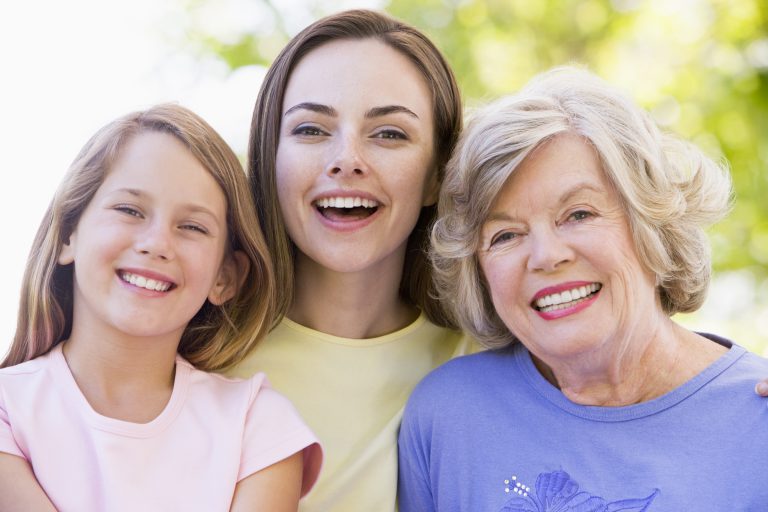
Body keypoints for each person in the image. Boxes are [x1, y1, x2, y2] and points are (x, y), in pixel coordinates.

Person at [398, 66, 768, 511]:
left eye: (578, 214)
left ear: (651, 223)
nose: (545, 256)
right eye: (506, 235)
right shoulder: (448, 416)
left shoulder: (757, 419)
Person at [0, 104, 322, 511]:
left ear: (225, 277)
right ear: (68, 233)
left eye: (192, 227)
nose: (156, 243)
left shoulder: (257, 425)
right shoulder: (8, 410)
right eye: (129, 210)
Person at [224, 9, 471, 512]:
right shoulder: (197, 352)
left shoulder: (483, 360)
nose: (346, 159)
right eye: (312, 130)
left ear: (436, 177)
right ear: (270, 159)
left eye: (389, 134)